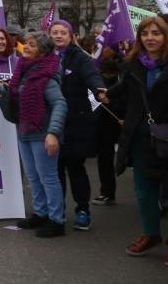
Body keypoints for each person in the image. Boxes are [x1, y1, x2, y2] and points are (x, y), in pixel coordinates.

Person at [103, 17, 168, 266]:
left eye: (156, 33)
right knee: (144, 191)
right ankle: (151, 234)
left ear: (166, 37)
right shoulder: (133, 66)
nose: (150, 38)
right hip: (141, 137)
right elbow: (124, 89)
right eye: (144, 34)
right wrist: (107, 95)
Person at [0, 31, 67, 237]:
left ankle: (56, 220)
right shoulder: (24, 71)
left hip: (42, 134)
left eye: (31, 45)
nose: (25, 47)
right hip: (24, 132)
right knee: (33, 176)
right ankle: (40, 213)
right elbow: (16, 92)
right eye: (26, 44)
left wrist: (53, 133)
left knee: (48, 177)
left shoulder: (46, 76)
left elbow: (59, 103)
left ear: (42, 51)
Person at [49, 18, 106, 232]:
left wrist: (100, 90)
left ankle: (83, 211)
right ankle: (58, 210)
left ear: (71, 36)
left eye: (63, 32)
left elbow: (92, 77)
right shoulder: (45, 57)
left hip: (75, 122)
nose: (58, 36)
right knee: (55, 170)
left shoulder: (80, 58)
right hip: (51, 122)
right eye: (54, 32)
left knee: (75, 168)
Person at [93, 45, 124, 206]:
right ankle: (107, 191)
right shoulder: (96, 68)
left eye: (106, 46)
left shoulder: (124, 66)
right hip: (104, 120)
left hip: (123, 118)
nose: (102, 49)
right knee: (104, 157)